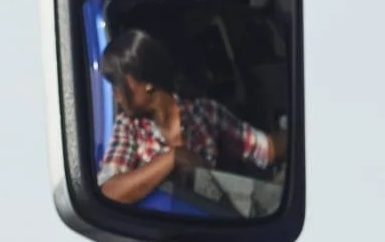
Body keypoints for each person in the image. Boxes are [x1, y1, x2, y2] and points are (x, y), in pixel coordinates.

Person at [93, 27, 282, 206]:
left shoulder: (205, 113)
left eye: (117, 84)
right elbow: (109, 192)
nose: (115, 94)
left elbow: (266, 149)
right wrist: (172, 158)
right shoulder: (129, 127)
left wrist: (304, 130)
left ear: (147, 83)